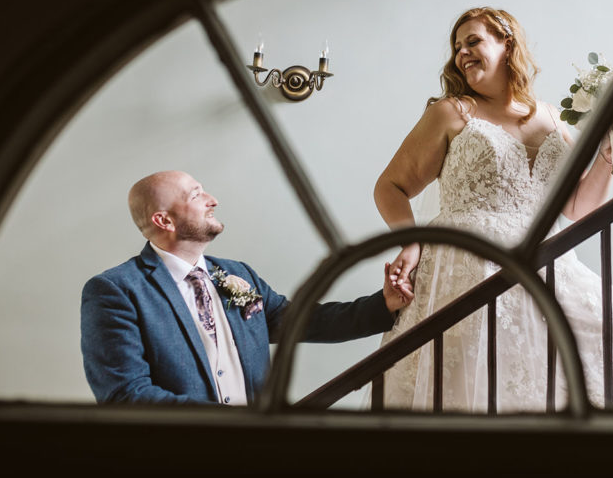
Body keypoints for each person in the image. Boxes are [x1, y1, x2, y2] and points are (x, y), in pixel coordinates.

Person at [373, 6, 613, 412]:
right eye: (458, 47)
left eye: (473, 41)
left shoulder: (553, 119)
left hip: (544, 262)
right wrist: (411, 242)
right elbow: (390, 186)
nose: (462, 53)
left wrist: (605, 154)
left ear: (506, 43)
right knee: (473, 384)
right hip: (464, 264)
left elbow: (578, 208)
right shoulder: (451, 112)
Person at [81, 170, 413, 405]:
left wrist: (382, 305)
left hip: (258, 456)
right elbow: (126, 393)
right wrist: (229, 423)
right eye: (196, 195)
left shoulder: (237, 273)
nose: (213, 199)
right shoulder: (116, 291)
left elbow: (301, 320)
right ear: (164, 221)